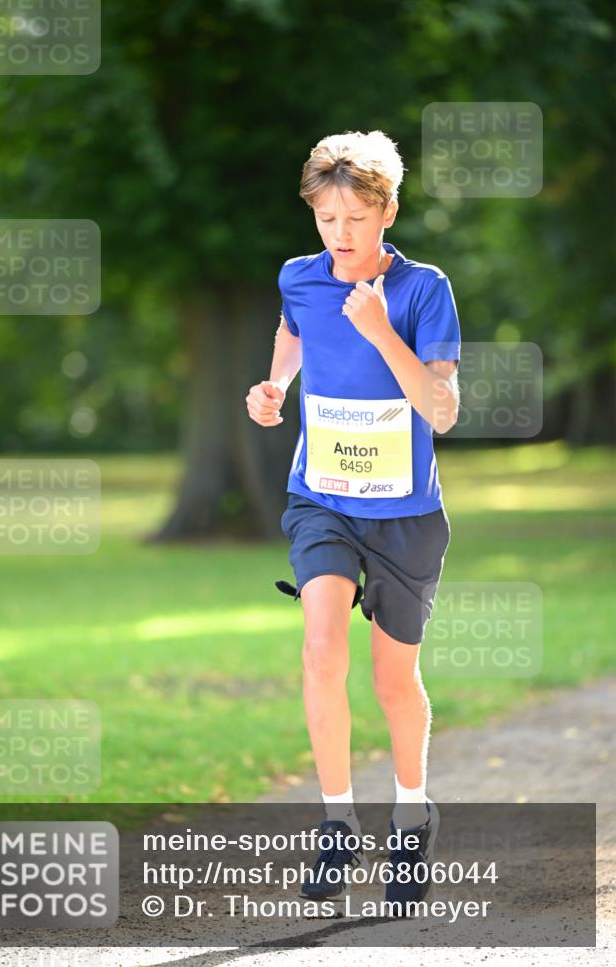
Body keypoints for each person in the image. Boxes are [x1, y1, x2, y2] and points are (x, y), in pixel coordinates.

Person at [245, 130, 460, 907]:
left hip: (405, 514)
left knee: (391, 681)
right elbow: (292, 334)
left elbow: (440, 408)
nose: (339, 235)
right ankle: (337, 823)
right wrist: (273, 388)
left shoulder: (422, 289)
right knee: (320, 645)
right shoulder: (299, 279)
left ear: (387, 212)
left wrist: (380, 331)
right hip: (322, 500)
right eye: (325, 218)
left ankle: (410, 816)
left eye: (355, 219)